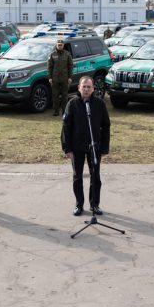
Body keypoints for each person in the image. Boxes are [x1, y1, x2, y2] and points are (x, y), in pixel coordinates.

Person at [61, 76, 111, 216]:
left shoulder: (99, 104)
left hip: (94, 147)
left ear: (93, 88)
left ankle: (94, 205)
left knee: (95, 177)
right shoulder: (72, 104)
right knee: (77, 177)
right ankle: (79, 205)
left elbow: (106, 126)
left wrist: (104, 148)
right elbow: (66, 128)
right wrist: (67, 148)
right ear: (79, 88)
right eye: (84, 86)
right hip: (76, 148)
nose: (86, 89)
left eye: (89, 87)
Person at [48, 39, 73, 116]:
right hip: (55, 79)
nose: (60, 46)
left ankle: (64, 111)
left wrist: (70, 77)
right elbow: (49, 67)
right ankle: (56, 111)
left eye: (61, 45)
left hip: (65, 78)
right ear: (56, 45)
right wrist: (50, 78)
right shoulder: (52, 54)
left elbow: (70, 66)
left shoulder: (67, 54)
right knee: (55, 95)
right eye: (58, 45)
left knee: (65, 96)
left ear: (63, 45)